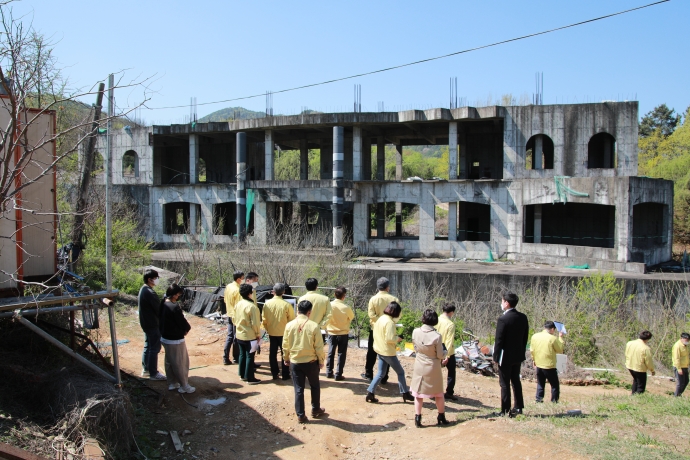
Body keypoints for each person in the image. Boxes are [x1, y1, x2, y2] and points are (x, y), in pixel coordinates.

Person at [283, 300, 326, 423]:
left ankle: (301, 415)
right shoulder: (313, 326)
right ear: (309, 312)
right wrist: (321, 360)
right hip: (311, 362)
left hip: (295, 362)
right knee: (315, 385)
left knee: (298, 388)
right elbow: (319, 346)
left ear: (297, 311)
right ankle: (315, 409)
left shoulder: (289, 325)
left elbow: (285, 344)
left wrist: (286, 358)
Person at [365, 301, 415, 404]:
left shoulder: (381, 319)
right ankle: (405, 393)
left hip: (379, 349)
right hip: (387, 351)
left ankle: (370, 392)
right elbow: (390, 339)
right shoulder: (390, 323)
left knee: (380, 373)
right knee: (400, 372)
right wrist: (398, 339)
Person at [410, 309, 451, 427]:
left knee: (418, 393)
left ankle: (417, 418)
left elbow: (415, 348)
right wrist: (445, 353)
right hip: (432, 366)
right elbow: (439, 355)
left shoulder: (415, 331)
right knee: (438, 393)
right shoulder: (437, 336)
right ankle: (441, 416)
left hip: (419, 364)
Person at [493, 290, 529, 417]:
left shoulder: (503, 319)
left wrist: (495, 356)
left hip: (505, 356)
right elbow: (525, 338)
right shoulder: (523, 317)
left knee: (504, 383)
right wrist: (521, 351)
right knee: (516, 381)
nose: (501, 303)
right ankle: (518, 407)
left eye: (502, 301)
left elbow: (499, 340)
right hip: (517, 355)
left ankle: (505, 409)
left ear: (507, 303)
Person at [362, 277, 399, 383]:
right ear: (388, 287)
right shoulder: (394, 300)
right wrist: (389, 322)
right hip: (389, 330)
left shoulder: (373, 299)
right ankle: (384, 376)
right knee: (386, 352)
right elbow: (398, 315)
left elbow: (371, 315)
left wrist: (379, 322)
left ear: (378, 287)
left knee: (371, 352)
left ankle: (369, 374)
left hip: (375, 329)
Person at [159, 284, 195, 394]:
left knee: (169, 361)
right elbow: (182, 322)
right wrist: (186, 329)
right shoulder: (174, 307)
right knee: (180, 362)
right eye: (179, 294)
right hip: (175, 339)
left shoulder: (163, 303)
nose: (179, 296)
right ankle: (184, 385)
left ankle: (172, 383)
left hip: (165, 337)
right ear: (174, 295)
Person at [262, 283, 295, 380]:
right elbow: (292, 320)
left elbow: (264, 319)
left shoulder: (267, 304)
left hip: (272, 332)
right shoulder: (287, 305)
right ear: (284, 292)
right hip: (284, 333)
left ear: (273, 292)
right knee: (285, 352)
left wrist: (268, 329)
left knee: (272, 353)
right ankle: (285, 374)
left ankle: (274, 373)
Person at [138, 268, 165, 380]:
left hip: (146, 323)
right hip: (152, 324)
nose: (157, 280)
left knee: (148, 346)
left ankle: (146, 369)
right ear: (150, 279)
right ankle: (153, 373)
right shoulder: (150, 292)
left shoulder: (143, 289)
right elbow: (159, 310)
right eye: (156, 278)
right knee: (154, 348)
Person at [529, 321, 564, 403]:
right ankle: (554, 400)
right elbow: (560, 350)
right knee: (554, 384)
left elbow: (532, 350)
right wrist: (561, 338)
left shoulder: (535, 336)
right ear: (552, 329)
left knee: (540, 383)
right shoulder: (552, 338)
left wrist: (533, 360)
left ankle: (539, 399)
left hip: (538, 364)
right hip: (549, 365)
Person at [235, 283, 261, 385]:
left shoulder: (238, 304)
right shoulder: (252, 307)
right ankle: (250, 378)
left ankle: (242, 375)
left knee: (242, 354)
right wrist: (258, 334)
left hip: (239, 334)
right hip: (250, 335)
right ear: (250, 293)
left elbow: (234, 319)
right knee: (250, 356)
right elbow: (255, 323)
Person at [326, 286, 354, 381]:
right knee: (341, 354)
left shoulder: (329, 305)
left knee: (330, 352)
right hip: (343, 333)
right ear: (344, 296)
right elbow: (351, 317)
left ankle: (329, 372)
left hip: (331, 332)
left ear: (334, 294)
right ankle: (338, 374)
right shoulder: (346, 307)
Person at [435, 303, 457, 400]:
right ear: (451, 312)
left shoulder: (436, 320)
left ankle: (433, 391)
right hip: (447, 351)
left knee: (434, 371)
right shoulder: (450, 324)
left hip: (435, 349)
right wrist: (446, 356)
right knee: (451, 372)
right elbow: (449, 340)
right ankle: (449, 392)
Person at [223, 271, 244, 365]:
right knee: (236, 337)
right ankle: (236, 357)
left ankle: (225, 357)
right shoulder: (238, 290)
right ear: (239, 279)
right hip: (236, 315)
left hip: (229, 313)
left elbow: (224, 299)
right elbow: (240, 305)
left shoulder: (229, 286)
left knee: (230, 336)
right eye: (243, 278)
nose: (243, 280)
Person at [625, 330, 655, 395]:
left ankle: (633, 395)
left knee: (636, 381)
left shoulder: (629, 343)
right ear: (647, 339)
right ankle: (638, 398)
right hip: (639, 368)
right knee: (641, 386)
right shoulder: (645, 348)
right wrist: (652, 370)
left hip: (630, 366)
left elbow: (626, 354)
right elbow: (648, 361)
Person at [672, 332, 690, 397]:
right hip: (679, 367)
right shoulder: (677, 346)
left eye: (688, 340)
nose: (687, 341)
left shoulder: (686, 346)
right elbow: (676, 358)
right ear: (681, 338)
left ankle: (679, 394)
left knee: (686, 381)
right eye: (686, 340)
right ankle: (676, 396)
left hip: (685, 366)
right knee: (680, 383)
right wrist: (679, 369)